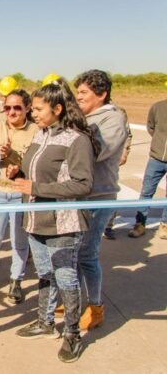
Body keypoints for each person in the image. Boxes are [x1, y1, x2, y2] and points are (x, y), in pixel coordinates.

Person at [10, 79, 96, 363]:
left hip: (63, 223)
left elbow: (82, 185)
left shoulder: (76, 139)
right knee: (45, 274)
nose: (33, 114)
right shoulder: (40, 135)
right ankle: (45, 323)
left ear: (57, 108)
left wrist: (36, 188)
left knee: (66, 278)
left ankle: (72, 333)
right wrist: (17, 174)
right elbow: (34, 172)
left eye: (38, 109)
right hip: (36, 220)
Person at [73, 70, 127, 331]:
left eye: (84, 92)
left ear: (102, 93)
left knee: (87, 253)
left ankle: (95, 308)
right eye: (77, 92)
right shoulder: (84, 118)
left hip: (99, 195)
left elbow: (97, 151)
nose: (78, 97)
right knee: (74, 252)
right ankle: (73, 299)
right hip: (79, 195)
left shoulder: (113, 119)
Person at [0, 89, 38, 303]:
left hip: (20, 194)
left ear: (27, 109)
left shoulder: (36, 131)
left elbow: (38, 163)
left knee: (19, 241)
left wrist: (17, 164)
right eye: (7, 107)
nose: (12, 112)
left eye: (17, 107)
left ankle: (16, 280)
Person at [128, 96, 167, 239]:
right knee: (146, 192)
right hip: (156, 159)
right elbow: (151, 127)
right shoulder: (158, 107)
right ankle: (140, 224)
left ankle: (164, 225)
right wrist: (159, 143)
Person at [104, 108, 133, 239]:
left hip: (110, 163)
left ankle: (108, 225)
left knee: (111, 194)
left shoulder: (119, 112)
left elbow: (127, 134)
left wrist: (125, 152)